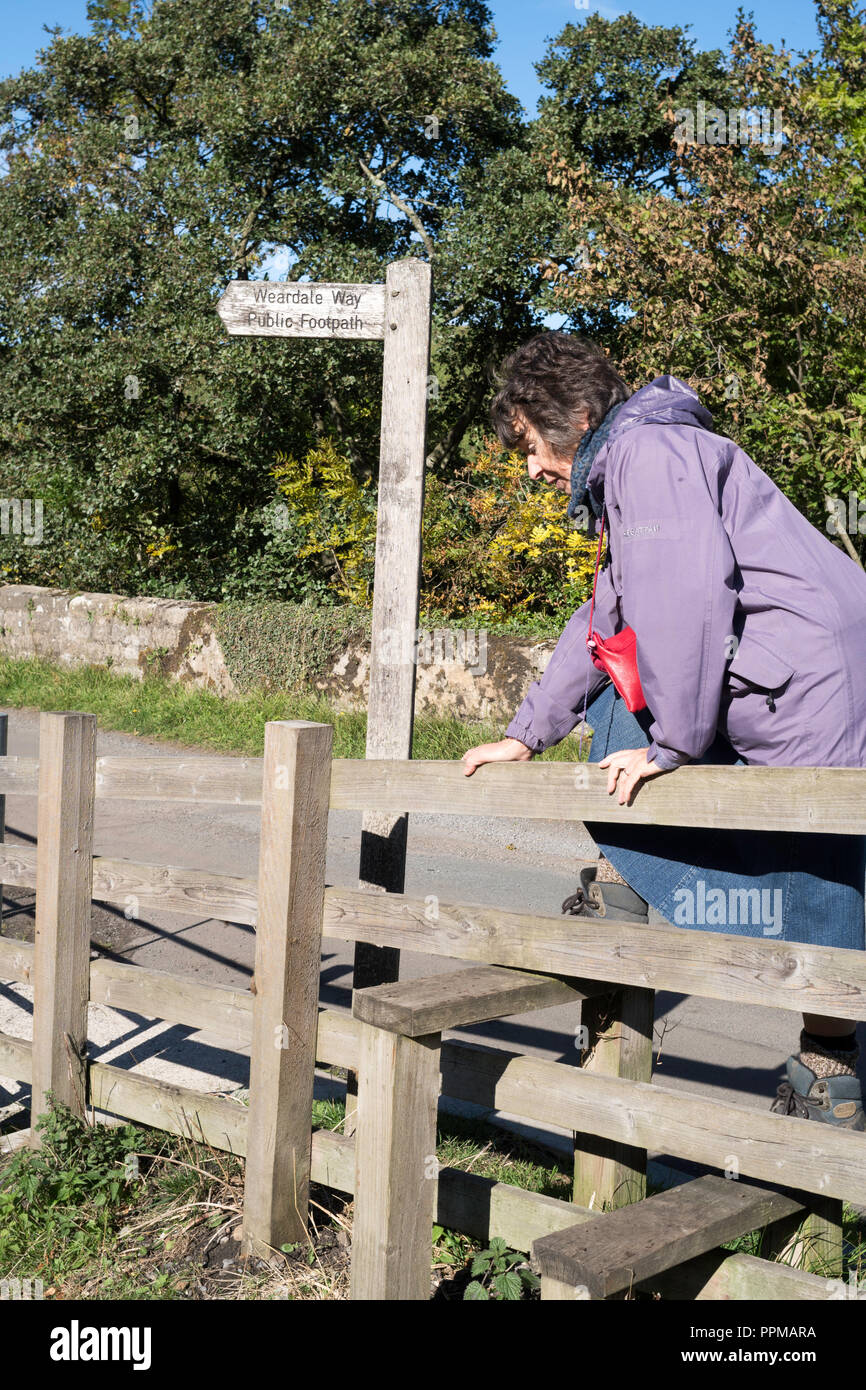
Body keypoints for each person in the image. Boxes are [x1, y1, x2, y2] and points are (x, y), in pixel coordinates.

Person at [461, 332, 866, 1130]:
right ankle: (628, 886)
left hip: (812, 679)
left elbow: (684, 607)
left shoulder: (649, 456)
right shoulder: (643, 459)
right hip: (805, 663)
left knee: (818, 866)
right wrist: (526, 732)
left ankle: (831, 1082)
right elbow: (606, 616)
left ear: (578, 417)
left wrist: (673, 741)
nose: (534, 468)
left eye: (534, 446)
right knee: (811, 858)